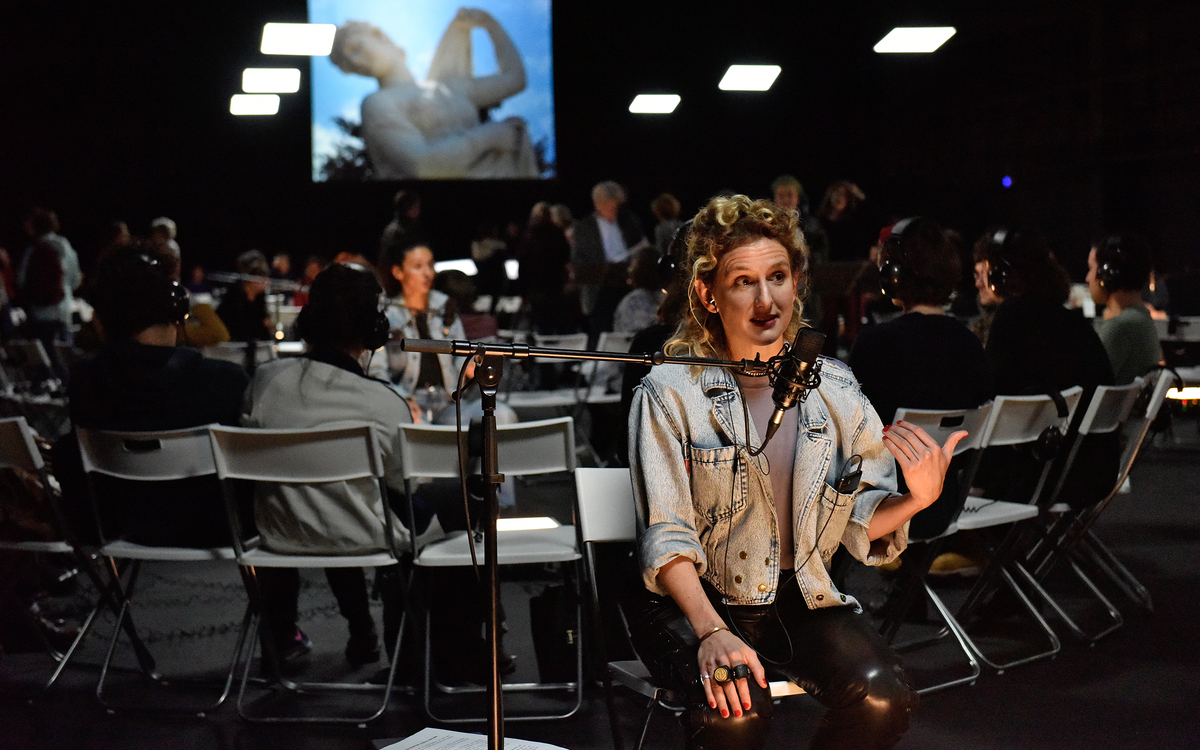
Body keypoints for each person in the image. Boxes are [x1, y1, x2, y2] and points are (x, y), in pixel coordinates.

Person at [628, 195, 965, 750]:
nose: (766, 300)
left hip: (797, 599)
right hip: (694, 604)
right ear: (706, 293)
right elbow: (666, 535)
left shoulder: (834, 386)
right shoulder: (668, 392)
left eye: (778, 276)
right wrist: (710, 631)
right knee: (733, 714)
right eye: (744, 281)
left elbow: (858, 516)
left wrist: (914, 501)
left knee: (884, 697)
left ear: (797, 282)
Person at [242, 263, 431, 665]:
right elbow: (406, 483)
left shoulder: (265, 381)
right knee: (426, 503)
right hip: (362, 536)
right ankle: (421, 655)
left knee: (318, 495)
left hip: (278, 535)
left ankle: (302, 633)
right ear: (375, 330)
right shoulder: (383, 403)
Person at [53, 246, 250, 547]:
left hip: (121, 529)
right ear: (177, 306)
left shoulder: (84, 381)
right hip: (218, 530)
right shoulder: (226, 380)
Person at [849, 217, 992, 540]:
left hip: (885, 508)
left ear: (892, 277)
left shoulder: (875, 343)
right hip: (946, 505)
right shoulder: (970, 343)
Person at [972, 227, 1118, 509]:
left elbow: (990, 401)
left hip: (1047, 476)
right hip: (1093, 472)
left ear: (1002, 274)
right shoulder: (1074, 324)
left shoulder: (1011, 318)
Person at [329, 10, 538, 179]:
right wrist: (491, 136)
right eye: (348, 64)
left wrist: (491, 25)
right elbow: (423, 165)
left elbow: (515, 80)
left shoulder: (447, 87)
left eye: (355, 48)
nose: (355, 62)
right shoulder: (377, 103)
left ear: (380, 36)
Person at [1086, 234, 1163, 384]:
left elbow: (1085, 386)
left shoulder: (1119, 328)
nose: (1087, 278)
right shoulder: (1141, 319)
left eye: (1090, 268)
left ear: (1106, 274)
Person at [571, 180, 650, 323]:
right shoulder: (584, 228)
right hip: (598, 291)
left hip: (626, 286)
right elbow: (578, 262)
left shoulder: (629, 222)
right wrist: (603, 269)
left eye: (616, 207)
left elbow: (641, 247)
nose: (615, 211)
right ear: (598, 204)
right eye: (611, 207)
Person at [216, 249, 273, 342]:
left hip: (253, 345)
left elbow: (262, 325)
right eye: (262, 277)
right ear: (251, 279)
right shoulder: (233, 297)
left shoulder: (260, 297)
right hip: (233, 344)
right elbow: (238, 327)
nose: (267, 282)